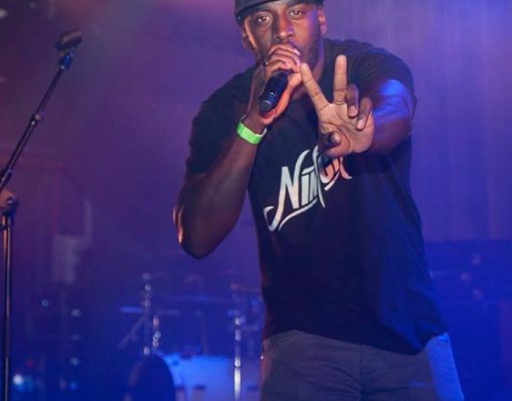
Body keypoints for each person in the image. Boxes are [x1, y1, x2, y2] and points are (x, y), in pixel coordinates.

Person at [174, 0, 464, 399]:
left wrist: (368, 129)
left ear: (321, 19)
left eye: (296, 11)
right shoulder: (226, 110)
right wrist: (253, 124)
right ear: (246, 36)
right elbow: (196, 235)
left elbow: (397, 105)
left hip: (409, 333)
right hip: (304, 342)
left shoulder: (363, 65)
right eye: (263, 18)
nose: (282, 30)